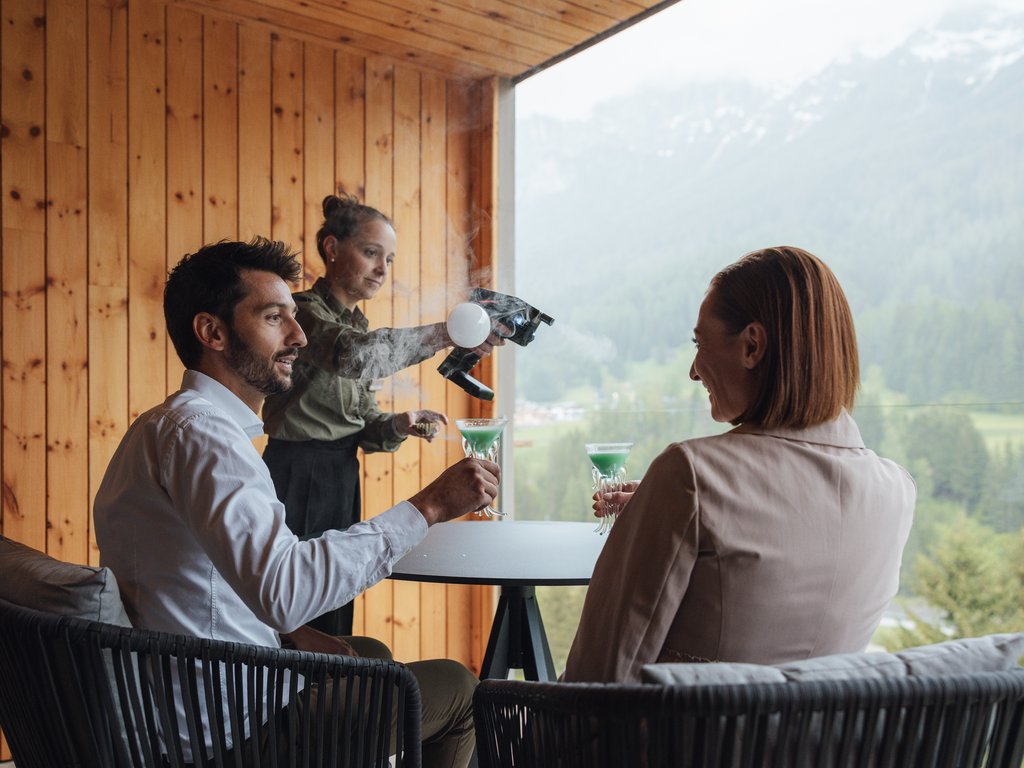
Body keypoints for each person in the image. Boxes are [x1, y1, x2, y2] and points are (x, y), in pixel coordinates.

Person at [93, 238, 498, 767]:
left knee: (366, 654)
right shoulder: (204, 438)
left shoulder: (168, 424)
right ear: (212, 332)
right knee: (459, 688)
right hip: (226, 729)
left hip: (184, 690)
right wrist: (430, 507)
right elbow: (283, 590)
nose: (299, 336)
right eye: (273, 317)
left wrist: (288, 634)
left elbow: (205, 581)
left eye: (294, 316)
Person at [562, 246, 916, 683]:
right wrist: (666, 507)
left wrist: (677, 497)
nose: (694, 371)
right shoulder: (896, 491)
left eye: (700, 344)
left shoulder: (691, 473)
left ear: (752, 346)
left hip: (682, 750)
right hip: (815, 750)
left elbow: (596, 682)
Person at [262, 194, 504, 636]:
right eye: (372, 253)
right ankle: (291, 701)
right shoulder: (303, 315)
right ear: (332, 249)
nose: (382, 269)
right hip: (296, 474)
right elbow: (355, 358)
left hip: (339, 473)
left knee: (334, 597)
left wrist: (398, 423)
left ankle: (329, 700)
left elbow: (362, 422)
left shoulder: (358, 327)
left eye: (389, 259)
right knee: (297, 605)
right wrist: (448, 333)